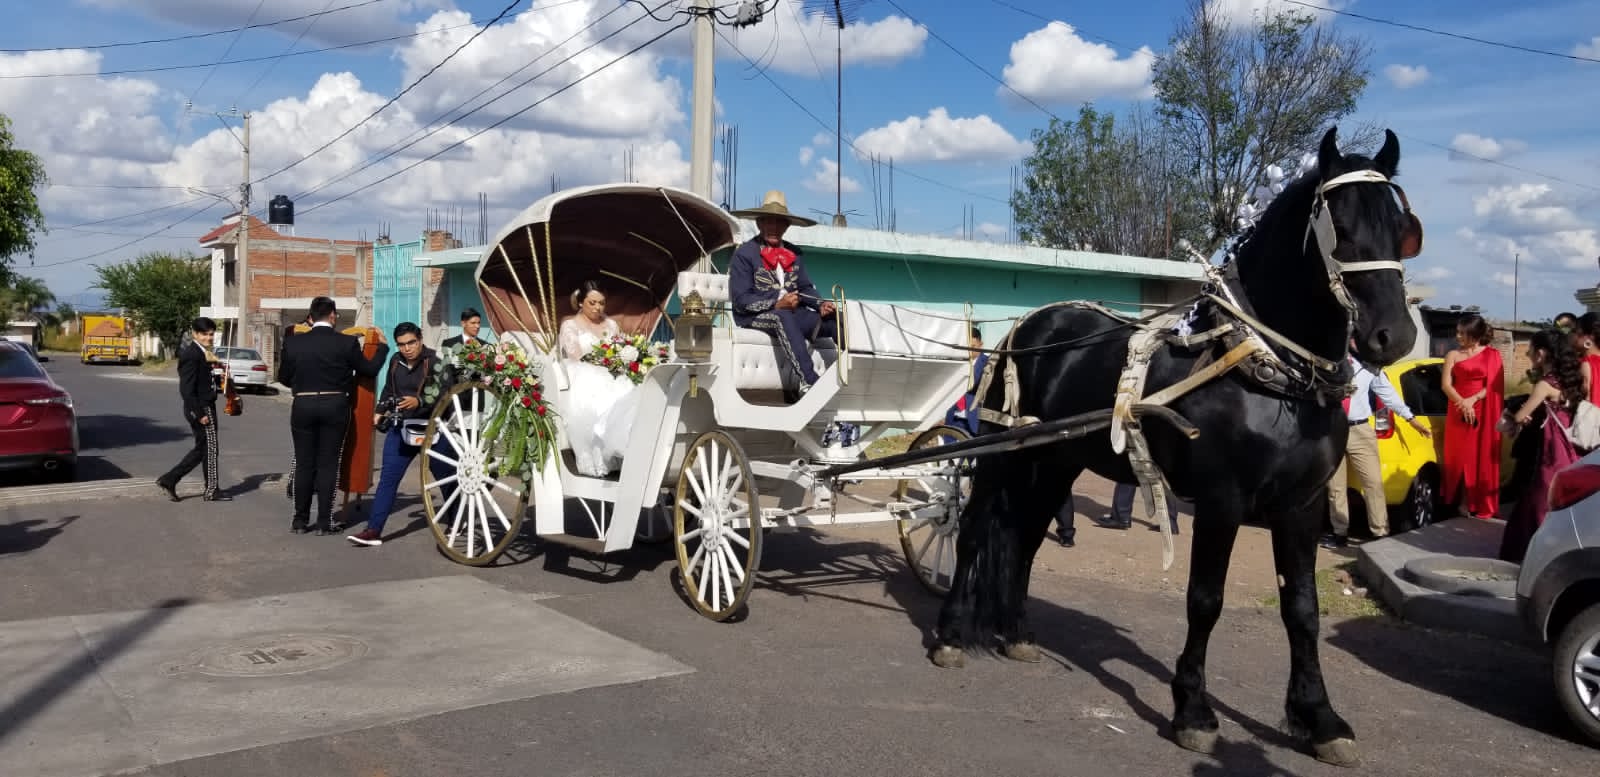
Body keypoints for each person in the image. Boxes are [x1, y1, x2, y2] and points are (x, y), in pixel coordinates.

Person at [278, 296, 389, 535]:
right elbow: (369, 370)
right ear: (332, 315)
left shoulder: (294, 343)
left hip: (303, 404)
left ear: (311, 316)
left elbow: (284, 378)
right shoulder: (345, 343)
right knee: (328, 464)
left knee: (305, 464)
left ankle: (299, 520)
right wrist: (383, 348)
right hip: (335, 404)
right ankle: (324, 522)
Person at [346, 322, 452, 547]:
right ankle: (373, 530)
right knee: (388, 479)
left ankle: (456, 517)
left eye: (411, 343)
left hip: (432, 428)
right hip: (401, 428)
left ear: (420, 339)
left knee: (444, 476)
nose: (407, 348)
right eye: (402, 344)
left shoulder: (436, 361)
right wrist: (379, 410)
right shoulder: (395, 361)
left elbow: (447, 393)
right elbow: (389, 389)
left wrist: (420, 400)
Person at [727, 190, 837, 400]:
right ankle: (810, 382)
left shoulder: (795, 254)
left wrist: (821, 304)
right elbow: (741, 301)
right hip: (754, 317)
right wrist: (777, 303)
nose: (773, 227)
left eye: (779, 223)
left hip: (793, 314)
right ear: (759, 223)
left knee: (833, 319)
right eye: (769, 222)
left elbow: (804, 288)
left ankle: (856, 376)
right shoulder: (744, 254)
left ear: (786, 226)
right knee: (783, 316)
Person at [1322, 348, 1432, 548]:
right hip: (1332, 429)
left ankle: (1380, 532)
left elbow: (1387, 393)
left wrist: (1410, 418)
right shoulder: (1329, 361)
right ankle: (1339, 532)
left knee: (1373, 483)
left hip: (1360, 430)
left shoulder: (1369, 366)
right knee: (1335, 487)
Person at [1499, 329, 1583, 563]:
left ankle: (1532, 557)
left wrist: (1517, 414)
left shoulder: (1545, 384)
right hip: (1570, 451)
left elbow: (1519, 416)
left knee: (1539, 504)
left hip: (1550, 453)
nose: (1528, 354)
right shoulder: (1568, 380)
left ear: (1542, 353)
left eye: (1532, 349)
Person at [557, 281, 635, 476]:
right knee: (600, 396)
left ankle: (630, 451)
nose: (597, 308)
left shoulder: (611, 324)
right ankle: (598, 457)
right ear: (581, 302)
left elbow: (620, 346)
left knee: (630, 390)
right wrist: (603, 358)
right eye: (592, 303)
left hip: (611, 370)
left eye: (601, 303)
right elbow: (574, 354)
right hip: (582, 372)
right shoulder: (570, 325)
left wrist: (618, 359)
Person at [156, 317, 229, 502]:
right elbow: (186, 389)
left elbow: (206, 380)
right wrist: (199, 413)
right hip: (200, 406)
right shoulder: (192, 354)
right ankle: (210, 489)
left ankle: (171, 480)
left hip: (205, 404)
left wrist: (221, 378)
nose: (209, 337)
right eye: (204, 334)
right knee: (210, 448)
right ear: (195, 334)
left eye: (211, 334)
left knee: (204, 448)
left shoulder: (204, 352)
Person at [1440, 314, 1504, 520]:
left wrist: (1472, 400)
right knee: (1460, 457)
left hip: (1483, 411)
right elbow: (1446, 385)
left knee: (1480, 456)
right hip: (1457, 412)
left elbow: (1494, 386)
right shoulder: (1452, 355)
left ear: (1475, 335)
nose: (1457, 336)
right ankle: (1462, 501)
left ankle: (1478, 501)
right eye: (1457, 332)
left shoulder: (1492, 355)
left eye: (1462, 332)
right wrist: (1462, 402)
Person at [944, 325, 989, 436]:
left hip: (974, 418)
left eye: (973, 346)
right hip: (954, 417)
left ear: (981, 345)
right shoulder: (956, 363)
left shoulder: (988, 363)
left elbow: (977, 385)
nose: (969, 351)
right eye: (966, 347)